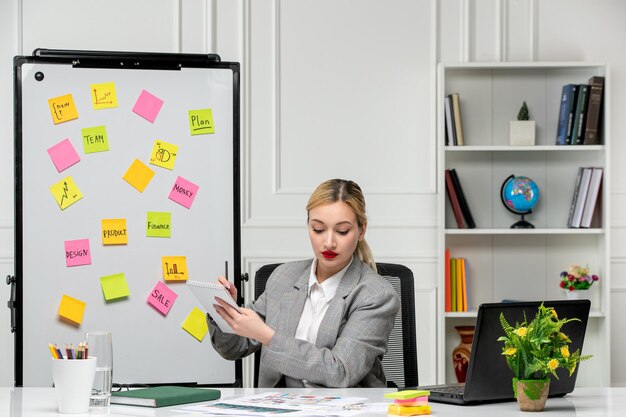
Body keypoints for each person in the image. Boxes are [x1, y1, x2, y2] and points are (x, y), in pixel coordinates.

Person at [209, 179, 400, 387]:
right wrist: (226, 310)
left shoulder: (377, 294)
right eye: (318, 229)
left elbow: (340, 371)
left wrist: (267, 336)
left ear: (361, 231)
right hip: (279, 406)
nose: (329, 242)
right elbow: (234, 348)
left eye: (342, 231)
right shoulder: (284, 277)